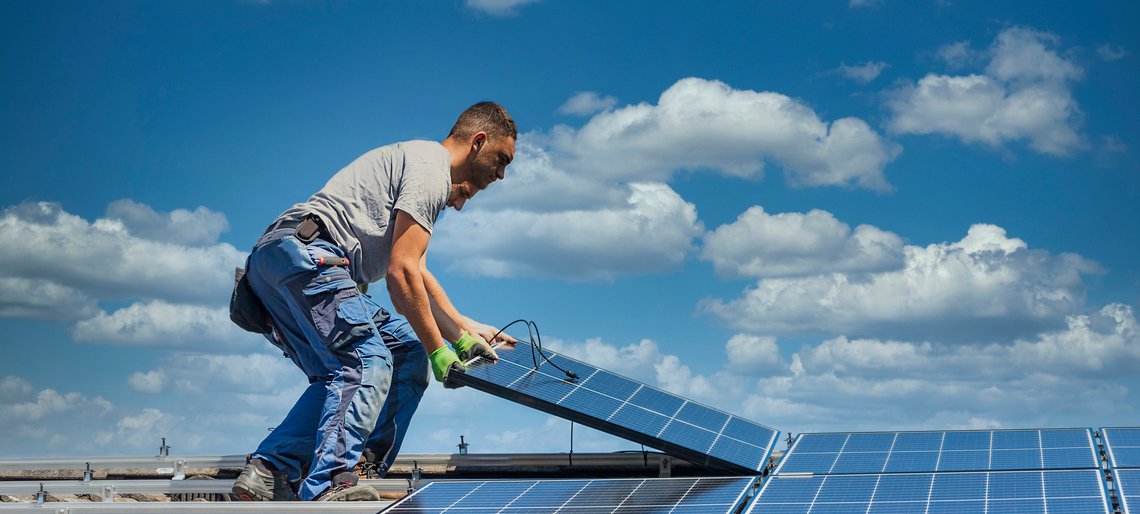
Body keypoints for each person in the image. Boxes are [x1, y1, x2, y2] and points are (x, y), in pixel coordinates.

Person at [231, 102, 518, 502]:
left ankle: (271, 470)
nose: (501, 175)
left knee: (401, 353)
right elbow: (401, 277)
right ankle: (332, 480)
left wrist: (463, 331)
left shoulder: (417, 164)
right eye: (501, 160)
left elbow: (416, 274)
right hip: (311, 258)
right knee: (366, 361)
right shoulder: (432, 170)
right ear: (478, 141)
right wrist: (440, 351)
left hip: (279, 263)